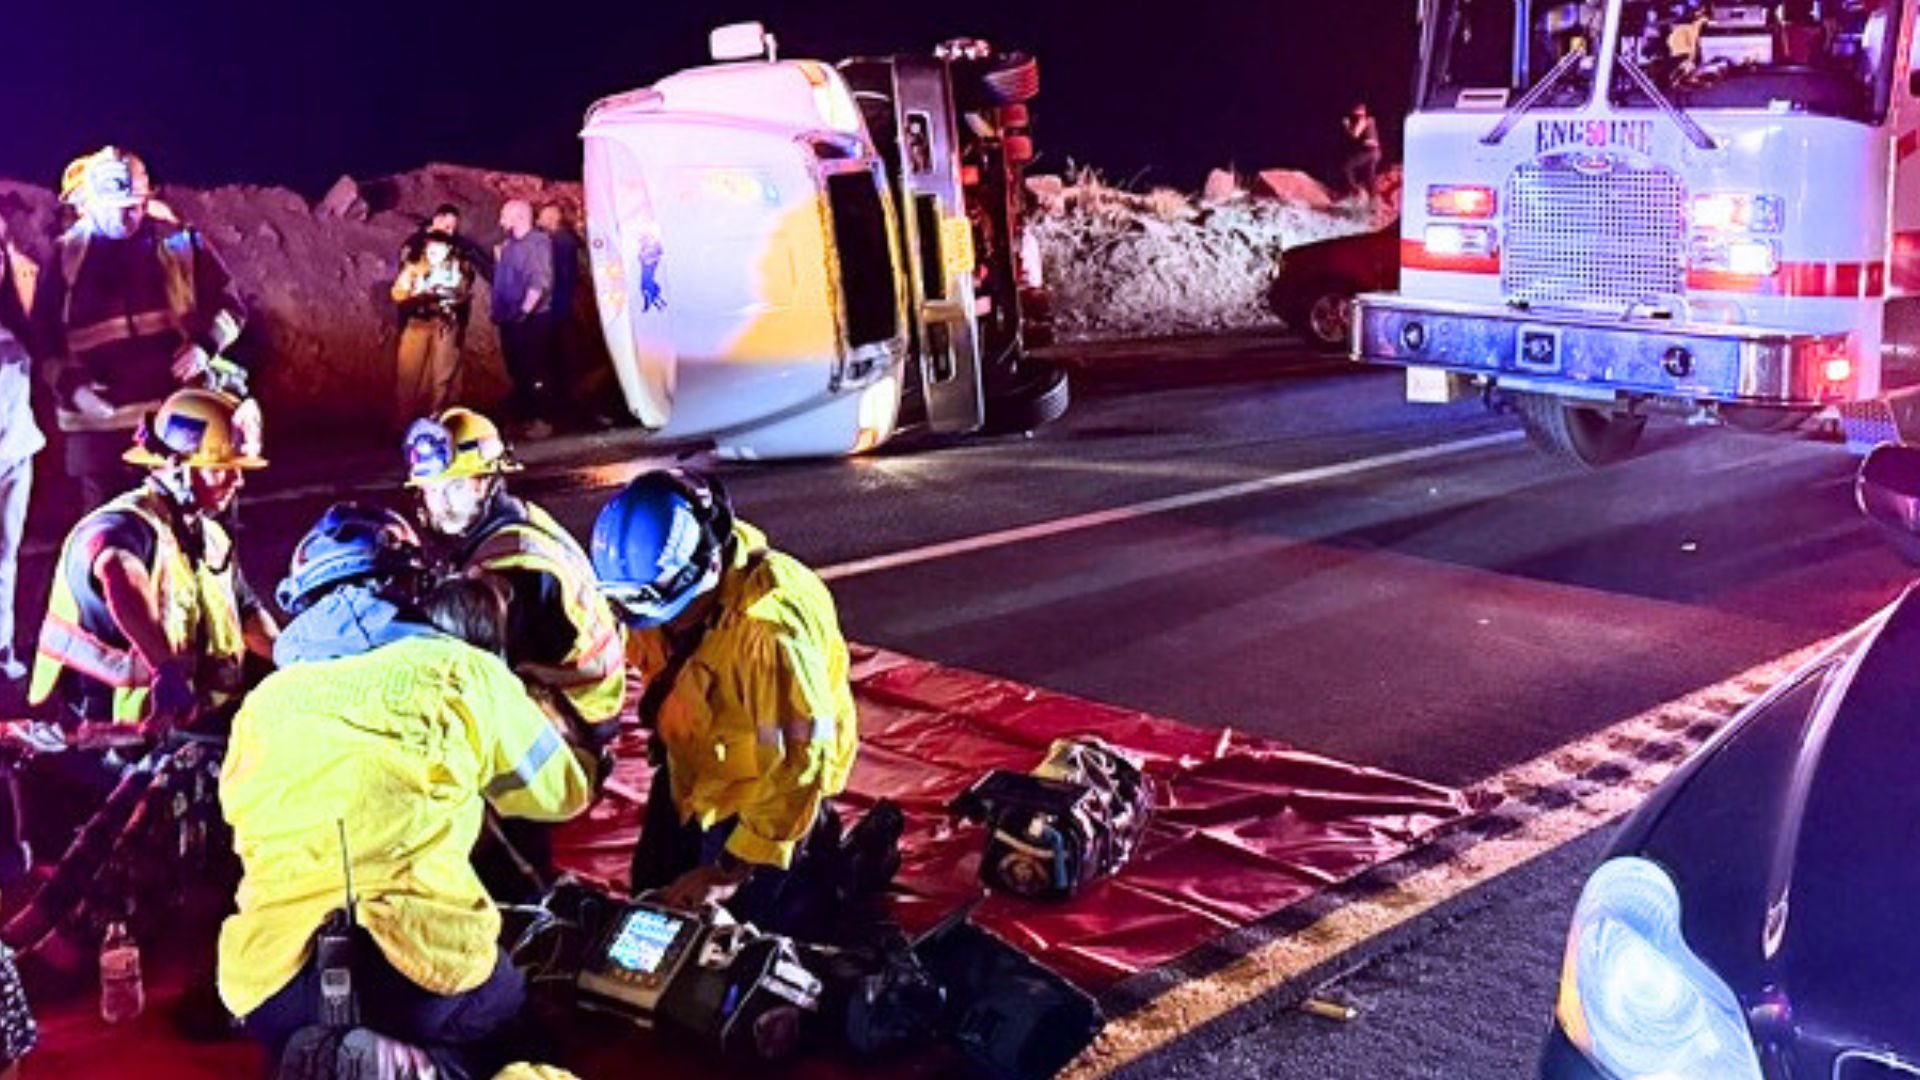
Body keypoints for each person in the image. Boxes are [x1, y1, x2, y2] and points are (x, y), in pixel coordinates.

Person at [220, 502, 594, 1079]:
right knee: (522, 1040)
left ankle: (356, 1053)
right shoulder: (460, 668)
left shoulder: (261, 706)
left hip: (275, 977)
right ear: (412, 583)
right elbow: (560, 794)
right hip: (423, 962)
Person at [589, 469, 858, 936]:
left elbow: (800, 764)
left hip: (765, 793)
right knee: (651, 900)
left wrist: (732, 870)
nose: (648, 624)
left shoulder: (769, 630)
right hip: (696, 774)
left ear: (708, 567)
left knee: (740, 937)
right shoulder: (654, 588)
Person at [404, 408, 625, 894]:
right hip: (570, 709)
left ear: (484, 482)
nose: (434, 503)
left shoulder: (514, 570)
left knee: (455, 769)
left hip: (569, 736)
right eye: (427, 489)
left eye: (450, 487)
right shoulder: (510, 525)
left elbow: (476, 679)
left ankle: (527, 903)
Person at [28, 386, 276, 732]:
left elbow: (247, 611)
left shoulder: (212, 538)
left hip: (189, 725)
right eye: (221, 468)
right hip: (110, 732)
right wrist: (165, 668)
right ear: (177, 465)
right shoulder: (122, 523)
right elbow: (118, 573)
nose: (238, 480)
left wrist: (293, 659)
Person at [29, 147, 247, 510]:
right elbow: (43, 338)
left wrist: (205, 346)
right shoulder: (65, 256)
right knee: (112, 532)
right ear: (94, 203)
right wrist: (70, 385)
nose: (134, 215)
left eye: (139, 204)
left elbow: (230, 306)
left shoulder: (177, 241)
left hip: (174, 417)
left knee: (187, 520)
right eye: (122, 207)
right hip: (98, 428)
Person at [389, 231, 476, 432]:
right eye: (430, 248)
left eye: (438, 248)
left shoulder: (458, 269)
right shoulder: (415, 267)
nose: (433, 252)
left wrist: (450, 297)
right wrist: (415, 295)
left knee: (441, 376)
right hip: (418, 323)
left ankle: (438, 419)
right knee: (409, 374)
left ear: (448, 250)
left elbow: (464, 292)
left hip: (444, 325)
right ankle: (403, 422)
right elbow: (397, 292)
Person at [492, 200, 556, 440]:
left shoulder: (537, 243)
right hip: (511, 318)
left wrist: (524, 311)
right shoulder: (510, 246)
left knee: (535, 369)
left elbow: (539, 280)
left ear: (519, 216)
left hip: (530, 319)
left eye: (504, 214)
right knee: (519, 371)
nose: (500, 220)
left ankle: (543, 419)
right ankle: (527, 417)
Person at [1341, 103, 1382, 200]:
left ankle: (1355, 191)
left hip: (1368, 152)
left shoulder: (1362, 120)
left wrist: (1347, 126)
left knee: (1347, 168)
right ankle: (1372, 199)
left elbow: (1355, 135)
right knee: (1369, 175)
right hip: (1376, 152)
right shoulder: (1371, 120)